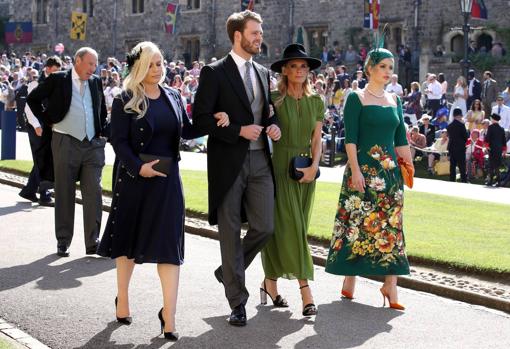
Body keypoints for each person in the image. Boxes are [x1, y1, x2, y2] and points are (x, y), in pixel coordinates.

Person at [97, 41, 228, 340]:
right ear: (140, 66)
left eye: (160, 63)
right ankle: (123, 298)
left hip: (168, 184)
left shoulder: (173, 95)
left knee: (170, 248)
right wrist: (138, 168)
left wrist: (215, 121)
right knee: (127, 242)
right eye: (152, 64)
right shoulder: (125, 99)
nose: (159, 69)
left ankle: (169, 315)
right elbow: (118, 141)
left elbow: (187, 130)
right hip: (134, 181)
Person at [192, 10, 281, 327]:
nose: (260, 37)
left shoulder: (261, 72)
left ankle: (227, 271)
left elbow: (266, 113)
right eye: (255, 32)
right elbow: (200, 120)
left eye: (260, 32)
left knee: (265, 226)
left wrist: (274, 126)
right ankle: (237, 302)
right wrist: (237, 131)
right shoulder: (214, 73)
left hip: (260, 161)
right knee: (229, 234)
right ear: (237, 35)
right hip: (227, 162)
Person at [324, 44, 413, 310]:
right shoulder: (356, 97)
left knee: (391, 227)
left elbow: (400, 139)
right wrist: (356, 170)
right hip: (362, 169)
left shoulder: (395, 100)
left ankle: (390, 285)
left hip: (390, 176)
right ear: (370, 69)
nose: (388, 72)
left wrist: (408, 166)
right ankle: (349, 280)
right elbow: (350, 139)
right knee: (357, 223)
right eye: (383, 67)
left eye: (390, 68)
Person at [259, 44, 323, 317]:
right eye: (294, 66)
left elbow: (317, 139)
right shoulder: (272, 98)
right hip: (278, 169)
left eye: (303, 66)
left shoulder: (316, 101)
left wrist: (314, 168)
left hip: (307, 170)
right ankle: (306, 293)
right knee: (293, 229)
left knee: (292, 228)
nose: (299, 70)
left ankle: (269, 284)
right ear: (284, 70)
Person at [27, 47, 108, 258]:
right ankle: (63, 241)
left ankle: (93, 242)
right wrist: (48, 120)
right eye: (90, 63)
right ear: (78, 61)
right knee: (64, 191)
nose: (94, 68)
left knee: (94, 191)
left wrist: (102, 134)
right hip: (65, 141)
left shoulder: (96, 81)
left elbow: (101, 111)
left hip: (92, 145)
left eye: (95, 64)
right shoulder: (57, 79)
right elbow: (33, 99)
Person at [19, 57, 62, 206]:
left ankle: (30, 190)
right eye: (55, 70)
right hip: (36, 127)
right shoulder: (36, 84)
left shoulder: (54, 85)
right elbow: (29, 107)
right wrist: (37, 126)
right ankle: (43, 194)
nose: (57, 73)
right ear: (47, 68)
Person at [447, 108, 468, 183]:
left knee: (452, 166)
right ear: (459, 116)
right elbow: (466, 137)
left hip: (451, 147)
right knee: (462, 165)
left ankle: (452, 180)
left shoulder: (449, 125)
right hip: (460, 147)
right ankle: (464, 180)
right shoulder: (461, 125)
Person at [484, 113, 507, 186]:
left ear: (493, 119)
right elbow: (504, 140)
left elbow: (487, 138)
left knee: (491, 166)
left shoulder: (490, 127)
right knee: (497, 166)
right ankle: (499, 182)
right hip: (499, 149)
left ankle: (490, 181)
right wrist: (504, 150)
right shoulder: (502, 129)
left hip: (492, 149)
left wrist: (486, 146)